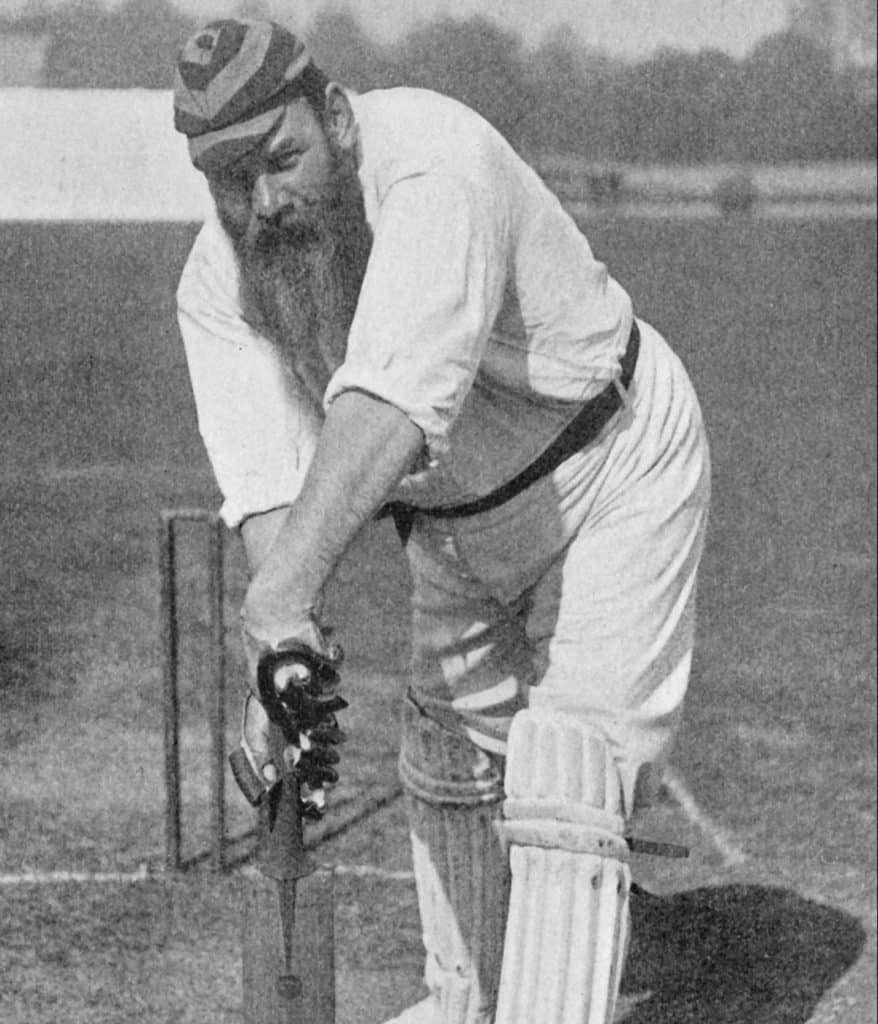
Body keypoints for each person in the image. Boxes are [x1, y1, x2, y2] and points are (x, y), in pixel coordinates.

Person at [173, 18, 710, 1024]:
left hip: (606, 469)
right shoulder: (217, 283)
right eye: (230, 182)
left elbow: (389, 402)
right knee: (450, 769)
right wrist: (282, 656)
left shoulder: (433, 162)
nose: (265, 203)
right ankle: (463, 1002)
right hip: (452, 523)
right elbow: (271, 490)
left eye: (280, 159)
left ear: (334, 117)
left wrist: (278, 598)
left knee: (565, 782)